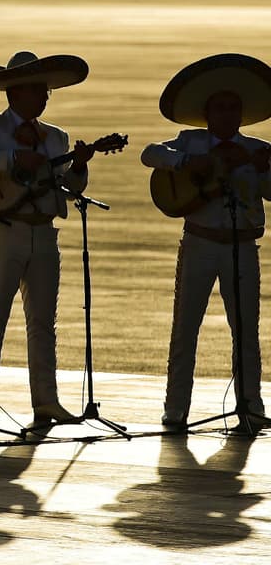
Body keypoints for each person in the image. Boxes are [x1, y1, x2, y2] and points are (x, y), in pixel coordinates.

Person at [0, 51, 93, 428]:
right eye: (38, 90)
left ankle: (45, 401)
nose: (45, 96)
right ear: (14, 93)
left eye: (46, 90)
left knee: (43, 321)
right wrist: (13, 158)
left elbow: (69, 188)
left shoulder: (56, 136)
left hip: (44, 232)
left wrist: (79, 164)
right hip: (5, 230)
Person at [141, 53, 271, 433]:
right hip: (198, 242)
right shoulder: (191, 142)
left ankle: (251, 405)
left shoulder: (257, 149)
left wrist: (262, 172)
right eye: (221, 108)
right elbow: (150, 153)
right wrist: (187, 164)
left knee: (246, 329)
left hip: (243, 245)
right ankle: (175, 408)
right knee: (186, 327)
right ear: (208, 112)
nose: (228, 115)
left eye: (234, 109)